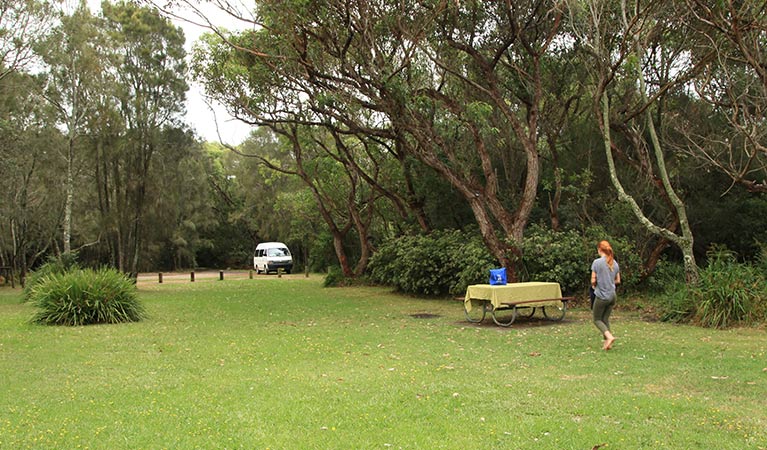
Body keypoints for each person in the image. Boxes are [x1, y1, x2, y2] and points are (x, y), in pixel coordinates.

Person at [591, 240, 620, 350]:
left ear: (599, 250)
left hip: (602, 296)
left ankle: (609, 337)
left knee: (597, 319)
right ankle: (607, 343)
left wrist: (595, 285)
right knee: (605, 319)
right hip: (612, 296)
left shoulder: (597, 262)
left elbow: (593, 280)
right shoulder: (614, 263)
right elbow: (618, 280)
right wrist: (609, 281)